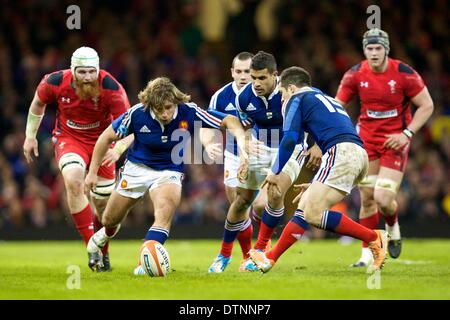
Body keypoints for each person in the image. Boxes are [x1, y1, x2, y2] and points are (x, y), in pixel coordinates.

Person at [84, 77, 249, 273]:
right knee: (109, 220)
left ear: (176, 102)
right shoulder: (137, 113)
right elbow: (106, 137)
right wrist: (92, 172)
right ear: (150, 105)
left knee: (164, 212)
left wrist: (241, 138)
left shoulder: (189, 111)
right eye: (159, 109)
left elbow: (228, 120)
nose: (164, 114)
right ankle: (103, 236)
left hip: (170, 170)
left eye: (169, 108)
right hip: (137, 168)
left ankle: (144, 262)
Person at [249, 66, 388, 274]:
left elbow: (288, 140)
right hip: (357, 154)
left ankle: (373, 238)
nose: (281, 99)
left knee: (313, 213)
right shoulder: (325, 98)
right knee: (305, 207)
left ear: (292, 88)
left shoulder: (297, 99)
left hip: (340, 153)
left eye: (282, 93)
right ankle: (269, 258)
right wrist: (317, 184)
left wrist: (275, 171)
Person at [23, 47, 131, 272]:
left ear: (98, 70)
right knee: (74, 181)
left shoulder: (111, 87)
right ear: (72, 71)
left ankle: (103, 251)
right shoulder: (53, 81)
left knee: (104, 210)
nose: (88, 77)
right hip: (69, 138)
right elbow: (37, 103)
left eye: (92, 71)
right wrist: (30, 136)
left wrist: (119, 148)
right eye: (82, 72)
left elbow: (131, 125)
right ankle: (91, 248)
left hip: (103, 144)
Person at [335, 28, 434, 267]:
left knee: (383, 197)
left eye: (378, 48)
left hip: (394, 143)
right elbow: (337, 106)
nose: (374, 53)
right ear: (364, 50)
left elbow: (427, 105)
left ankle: (392, 225)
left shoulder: (404, 74)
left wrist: (407, 133)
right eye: (369, 48)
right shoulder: (355, 74)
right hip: (366, 142)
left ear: (386, 49)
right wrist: (343, 135)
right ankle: (366, 255)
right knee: (367, 198)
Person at [208, 51, 311, 273]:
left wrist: (320, 144)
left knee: (274, 193)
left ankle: (261, 249)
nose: (255, 83)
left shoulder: (293, 92)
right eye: (253, 77)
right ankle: (223, 254)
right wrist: (245, 154)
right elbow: (244, 128)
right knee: (241, 200)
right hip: (261, 145)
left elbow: (317, 111)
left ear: (275, 76)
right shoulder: (244, 98)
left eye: (261, 78)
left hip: (291, 146)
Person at [200, 52, 255, 263]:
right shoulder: (221, 97)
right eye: (239, 71)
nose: (243, 76)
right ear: (232, 72)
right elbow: (206, 125)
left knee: (258, 204)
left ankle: (262, 244)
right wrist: (208, 144)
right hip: (233, 154)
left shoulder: (265, 92)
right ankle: (248, 256)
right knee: (238, 205)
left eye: (248, 71)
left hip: (263, 152)